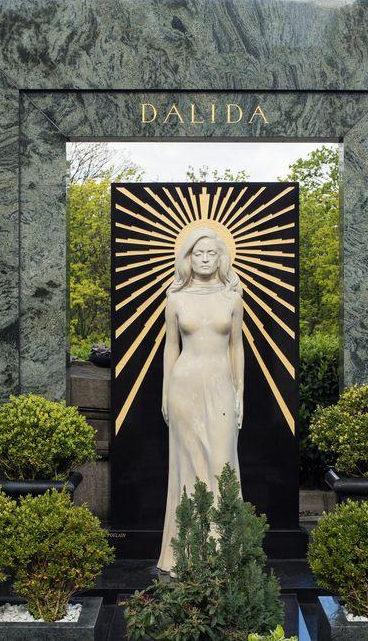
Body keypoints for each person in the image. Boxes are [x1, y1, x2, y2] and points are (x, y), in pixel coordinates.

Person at [156, 227, 244, 575]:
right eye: (198, 254)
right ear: (187, 258)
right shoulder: (176, 297)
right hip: (184, 388)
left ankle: (224, 555)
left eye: (211, 254)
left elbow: (237, 346)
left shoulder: (232, 297)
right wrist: (165, 392)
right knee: (188, 470)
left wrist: (241, 392)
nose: (205, 260)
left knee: (223, 466)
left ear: (221, 257)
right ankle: (184, 554)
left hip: (221, 386)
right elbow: (170, 347)